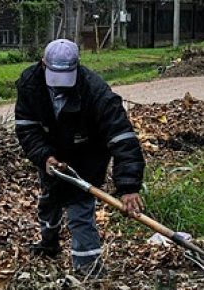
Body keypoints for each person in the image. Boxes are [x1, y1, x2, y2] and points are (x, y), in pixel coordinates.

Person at [14, 39, 145, 277]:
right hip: (51, 154)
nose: (60, 87)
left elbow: (122, 137)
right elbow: (26, 128)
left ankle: (89, 269)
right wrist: (45, 157)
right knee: (48, 201)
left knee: (79, 214)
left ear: (77, 67)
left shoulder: (96, 92)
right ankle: (49, 243)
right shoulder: (30, 84)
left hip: (87, 156)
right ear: (43, 65)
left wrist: (128, 185)